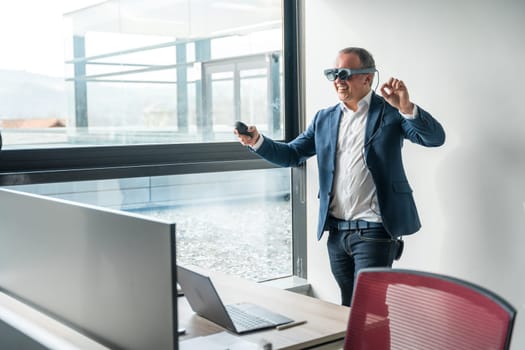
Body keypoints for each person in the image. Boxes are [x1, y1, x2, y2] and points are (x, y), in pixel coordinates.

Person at [234, 47, 445, 306]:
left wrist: (406, 107)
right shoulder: (324, 118)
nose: (337, 80)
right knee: (348, 311)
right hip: (336, 234)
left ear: (367, 78)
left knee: (370, 310)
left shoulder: (390, 112)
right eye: (333, 73)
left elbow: (434, 138)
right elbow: (292, 154)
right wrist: (257, 141)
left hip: (375, 231)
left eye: (344, 74)